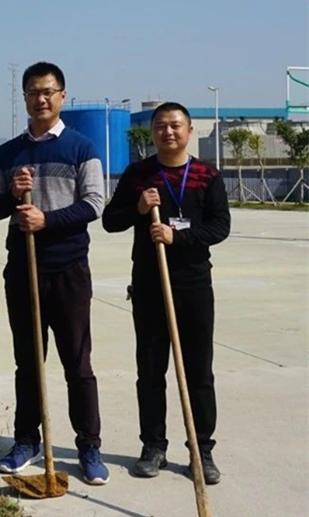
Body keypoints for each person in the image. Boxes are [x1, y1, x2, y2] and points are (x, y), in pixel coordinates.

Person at [0, 61, 109, 485]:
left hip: (68, 268)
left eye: (49, 92)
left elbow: (95, 204)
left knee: (77, 362)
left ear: (62, 96)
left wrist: (47, 220)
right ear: (24, 99)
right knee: (28, 362)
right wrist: (15, 193)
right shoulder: (8, 152)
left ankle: (89, 446)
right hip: (22, 268)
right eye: (33, 92)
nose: (41, 99)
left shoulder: (81, 147)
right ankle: (25, 440)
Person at [102, 101, 229, 484]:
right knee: (151, 370)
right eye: (160, 126)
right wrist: (139, 208)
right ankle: (153, 446)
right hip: (149, 285)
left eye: (175, 125)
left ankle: (201, 449)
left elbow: (220, 226)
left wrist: (179, 236)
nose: (168, 132)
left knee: (198, 372)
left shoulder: (207, 175)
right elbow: (110, 221)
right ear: (153, 132)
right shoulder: (139, 174)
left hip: (193, 285)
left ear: (189, 131)